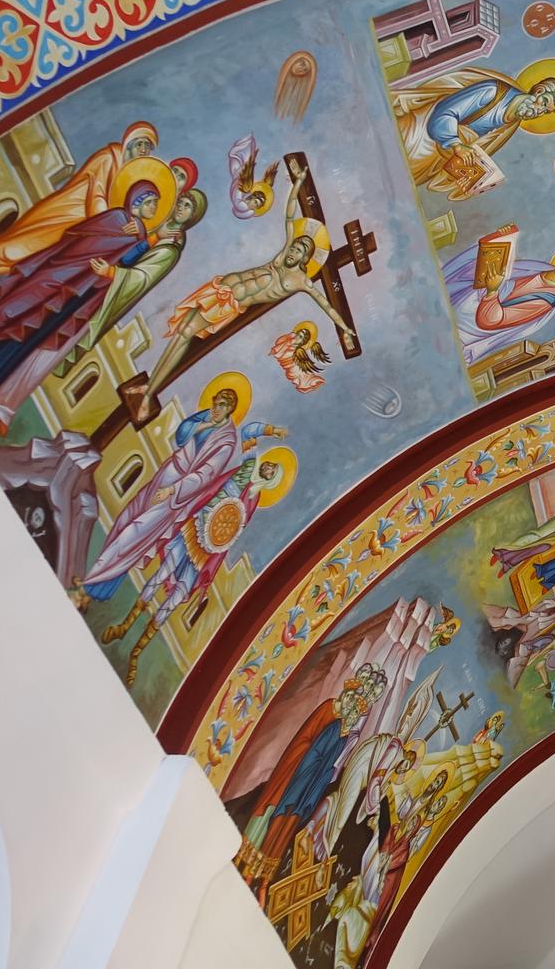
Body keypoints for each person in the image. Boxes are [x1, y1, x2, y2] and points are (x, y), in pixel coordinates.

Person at [0, 180, 167, 418]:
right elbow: (86, 243)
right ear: (137, 201)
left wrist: (148, 240)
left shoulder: (137, 233)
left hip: (75, 294)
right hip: (55, 280)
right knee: (4, 319)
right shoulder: (117, 218)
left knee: (23, 340)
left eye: (155, 204)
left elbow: (123, 261)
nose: (154, 208)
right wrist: (145, 239)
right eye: (151, 202)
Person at [0, 121, 162, 338]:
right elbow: (96, 200)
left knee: (16, 279)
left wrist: (129, 228)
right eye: (141, 143)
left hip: (73, 235)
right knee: (7, 254)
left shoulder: (125, 177)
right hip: (60, 219)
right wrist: (118, 226)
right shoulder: (109, 158)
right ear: (129, 140)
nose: (143, 150)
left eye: (148, 147)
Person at [138, 159, 353, 405]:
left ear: (306, 258)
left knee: (185, 334)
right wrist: (298, 182)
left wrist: (345, 329)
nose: (294, 250)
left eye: (300, 250)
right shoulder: (281, 257)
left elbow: (326, 305)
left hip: (229, 304)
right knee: (180, 332)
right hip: (220, 288)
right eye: (295, 245)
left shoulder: (301, 281)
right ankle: (149, 386)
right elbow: (289, 213)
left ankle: (149, 394)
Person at [75, 384, 284, 606]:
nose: (216, 408)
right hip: (165, 476)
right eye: (215, 402)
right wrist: (206, 423)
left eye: (222, 405)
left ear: (230, 409)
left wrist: (173, 490)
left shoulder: (228, 443)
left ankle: (89, 586)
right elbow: (181, 436)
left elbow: (205, 476)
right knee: (125, 520)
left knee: (134, 534)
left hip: (176, 496)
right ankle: (98, 582)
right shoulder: (211, 422)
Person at [98, 451, 290, 685]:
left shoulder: (254, 497)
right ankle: (124, 626)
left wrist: (219, 539)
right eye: (269, 465)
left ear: (271, 479)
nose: (268, 469)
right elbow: (216, 488)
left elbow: (235, 527)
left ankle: (136, 653)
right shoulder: (244, 470)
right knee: (160, 575)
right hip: (195, 528)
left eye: (272, 472)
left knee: (174, 600)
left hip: (206, 550)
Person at [237, 664, 389, 902]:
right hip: (293, 777)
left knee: (285, 830)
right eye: (355, 702)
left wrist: (315, 786)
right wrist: (306, 771)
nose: (353, 710)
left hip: (307, 789)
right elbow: (305, 742)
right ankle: (245, 867)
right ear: (349, 694)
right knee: (270, 817)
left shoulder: (345, 733)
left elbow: (331, 766)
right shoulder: (328, 711)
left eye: (359, 709)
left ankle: (263, 879)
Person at [54, 190, 208, 381]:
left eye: (187, 206)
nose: (180, 208)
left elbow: (142, 278)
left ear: (192, 216)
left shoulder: (171, 248)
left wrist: (111, 272)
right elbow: (133, 250)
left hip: (114, 290)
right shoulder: (161, 227)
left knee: (79, 327)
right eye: (180, 202)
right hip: (103, 282)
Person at [396, 70, 555, 200]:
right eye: (544, 103)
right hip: (418, 136)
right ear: (539, 91)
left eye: (545, 111)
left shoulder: (512, 124)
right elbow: (445, 113)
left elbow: (479, 147)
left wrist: (476, 178)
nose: (539, 111)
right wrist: (456, 144)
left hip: (437, 156)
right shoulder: (494, 92)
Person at [440, 242, 555, 366]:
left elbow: (492, 321)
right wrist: (500, 241)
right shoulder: (542, 268)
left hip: (475, 319)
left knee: (461, 302)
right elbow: (504, 271)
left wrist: (492, 290)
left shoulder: (545, 300)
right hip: (476, 294)